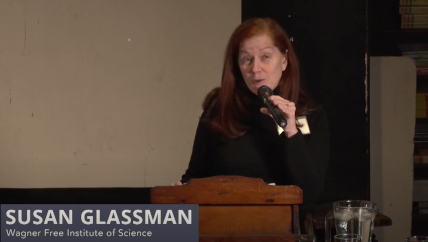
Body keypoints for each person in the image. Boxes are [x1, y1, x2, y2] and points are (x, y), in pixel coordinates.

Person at [171, 17, 330, 208]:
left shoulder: (312, 115)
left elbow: (310, 194)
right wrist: (181, 194)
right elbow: (195, 178)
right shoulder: (219, 109)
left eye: (265, 57)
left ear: (284, 60)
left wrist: (291, 132)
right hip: (225, 229)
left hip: (283, 232)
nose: (255, 69)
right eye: (247, 59)